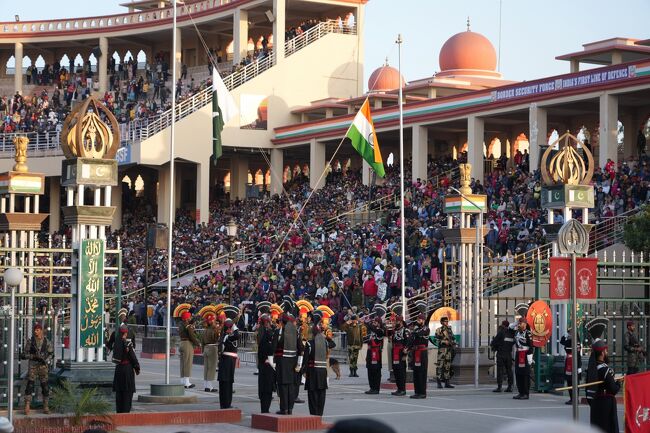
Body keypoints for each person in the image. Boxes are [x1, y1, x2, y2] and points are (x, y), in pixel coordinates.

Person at [586, 340, 620, 433]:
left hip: (595, 403)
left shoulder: (591, 368)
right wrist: (618, 383)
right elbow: (613, 389)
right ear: (602, 353)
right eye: (606, 351)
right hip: (606, 404)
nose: (607, 353)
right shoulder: (605, 370)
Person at [302, 322, 336, 416]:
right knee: (321, 394)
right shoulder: (325, 343)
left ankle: (314, 415)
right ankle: (319, 414)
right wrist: (327, 337)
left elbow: (305, 359)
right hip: (322, 371)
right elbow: (333, 344)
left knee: (313, 395)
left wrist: (303, 371)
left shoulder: (309, 343)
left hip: (312, 371)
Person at [23, 322, 53, 415]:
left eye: (37, 330)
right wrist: (33, 356)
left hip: (43, 366)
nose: (35, 332)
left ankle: (45, 406)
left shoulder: (46, 341)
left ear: (41, 331)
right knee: (30, 385)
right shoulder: (30, 341)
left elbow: (51, 353)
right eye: (35, 330)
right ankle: (27, 405)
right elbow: (25, 354)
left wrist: (46, 360)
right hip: (33, 366)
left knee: (45, 386)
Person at [112, 324, 140, 413]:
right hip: (127, 370)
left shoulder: (116, 343)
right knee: (127, 393)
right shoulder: (127, 344)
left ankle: (119, 412)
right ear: (126, 333)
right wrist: (137, 367)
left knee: (119, 394)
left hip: (118, 370)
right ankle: (125, 413)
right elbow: (133, 357)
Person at [275, 312, 299, 415]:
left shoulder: (278, 332)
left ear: (282, 322)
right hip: (293, 360)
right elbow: (300, 348)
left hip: (282, 361)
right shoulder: (295, 332)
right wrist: (299, 363)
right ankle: (290, 408)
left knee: (282, 385)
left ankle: (283, 408)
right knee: (291, 386)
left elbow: (274, 347)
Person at [257, 314, 278, 413]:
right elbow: (271, 350)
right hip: (268, 365)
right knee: (268, 389)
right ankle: (265, 409)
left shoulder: (261, 336)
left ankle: (264, 409)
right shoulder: (267, 340)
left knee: (264, 388)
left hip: (263, 365)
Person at [218, 318, 239, 409]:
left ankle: (224, 404)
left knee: (225, 383)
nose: (232, 330)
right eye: (231, 328)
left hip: (226, 361)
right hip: (228, 361)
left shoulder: (224, 336)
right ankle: (226, 404)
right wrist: (234, 326)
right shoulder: (227, 337)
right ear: (228, 329)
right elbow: (237, 335)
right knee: (227, 383)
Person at [409, 314, 430, 398]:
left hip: (422, 353)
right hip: (416, 351)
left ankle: (422, 393)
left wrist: (414, 331)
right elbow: (411, 338)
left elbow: (419, 334)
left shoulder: (426, 329)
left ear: (423, 320)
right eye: (417, 320)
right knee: (416, 372)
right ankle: (417, 391)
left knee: (421, 372)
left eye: (419, 320)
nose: (418, 321)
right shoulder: (417, 329)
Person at [490, 320, 514, 392]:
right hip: (508, 354)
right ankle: (510, 387)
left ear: (503, 325)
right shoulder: (511, 333)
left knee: (500, 371)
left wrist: (495, 345)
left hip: (501, 354)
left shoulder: (501, 332)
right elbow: (513, 342)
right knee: (509, 370)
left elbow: (494, 342)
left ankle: (499, 387)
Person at [179, 311, 200, 388]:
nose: (191, 318)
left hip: (181, 343)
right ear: (187, 318)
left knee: (183, 364)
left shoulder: (181, 324)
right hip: (187, 344)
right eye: (189, 317)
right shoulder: (187, 325)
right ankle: (187, 382)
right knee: (188, 363)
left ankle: (182, 381)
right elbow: (191, 335)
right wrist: (197, 343)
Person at [363, 316, 384, 394]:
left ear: (379, 323)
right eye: (373, 322)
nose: (374, 323)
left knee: (376, 371)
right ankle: (371, 387)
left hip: (376, 352)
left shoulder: (380, 331)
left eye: (375, 322)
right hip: (370, 352)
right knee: (370, 370)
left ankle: (376, 388)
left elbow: (374, 329)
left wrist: (366, 323)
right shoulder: (372, 332)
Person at [513, 317, 533, 400]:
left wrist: (530, 357)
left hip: (525, 355)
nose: (519, 325)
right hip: (518, 354)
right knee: (518, 373)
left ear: (524, 324)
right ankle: (520, 392)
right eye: (519, 323)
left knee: (525, 374)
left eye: (520, 323)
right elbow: (510, 329)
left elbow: (531, 346)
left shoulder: (528, 333)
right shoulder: (517, 332)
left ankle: (526, 393)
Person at [560, 331, 582, 405]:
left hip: (575, 362)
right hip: (569, 361)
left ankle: (576, 399)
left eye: (571, 333)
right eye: (569, 333)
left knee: (575, 382)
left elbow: (578, 355)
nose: (570, 334)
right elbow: (561, 341)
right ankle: (571, 398)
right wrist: (565, 335)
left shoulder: (577, 343)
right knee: (569, 381)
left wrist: (579, 367)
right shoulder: (568, 341)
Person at [389, 315, 408, 396]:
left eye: (397, 321)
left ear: (401, 321)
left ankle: (403, 389)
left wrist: (405, 354)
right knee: (396, 370)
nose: (396, 322)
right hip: (395, 352)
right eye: (395, 321)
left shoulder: (405, 330)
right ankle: (398, 388)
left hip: (401, 353)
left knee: (401, 372)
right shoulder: (395, 330)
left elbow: (407, 342)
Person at [434, 316, 455, 389]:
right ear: (442, 322)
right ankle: (439, 382)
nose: (446, 322)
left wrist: (453, 342)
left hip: (449, 350)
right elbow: (435, 340)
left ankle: (447, 382)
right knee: (440, 366)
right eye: (445, 321)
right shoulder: (439, 330)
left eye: (447, 321)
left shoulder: (449, 330)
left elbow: (453, 338)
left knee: (447, 366)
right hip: (442, 350)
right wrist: (443, 341)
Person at [202, 314, 220, 392]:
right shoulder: (214, 329)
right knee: (212, 368)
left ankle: (206, 385)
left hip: (206, 348)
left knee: (206, 368)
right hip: (212, 347)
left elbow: (202, 341)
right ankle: (209, 386)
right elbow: (216, 338)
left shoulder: (205, 329)